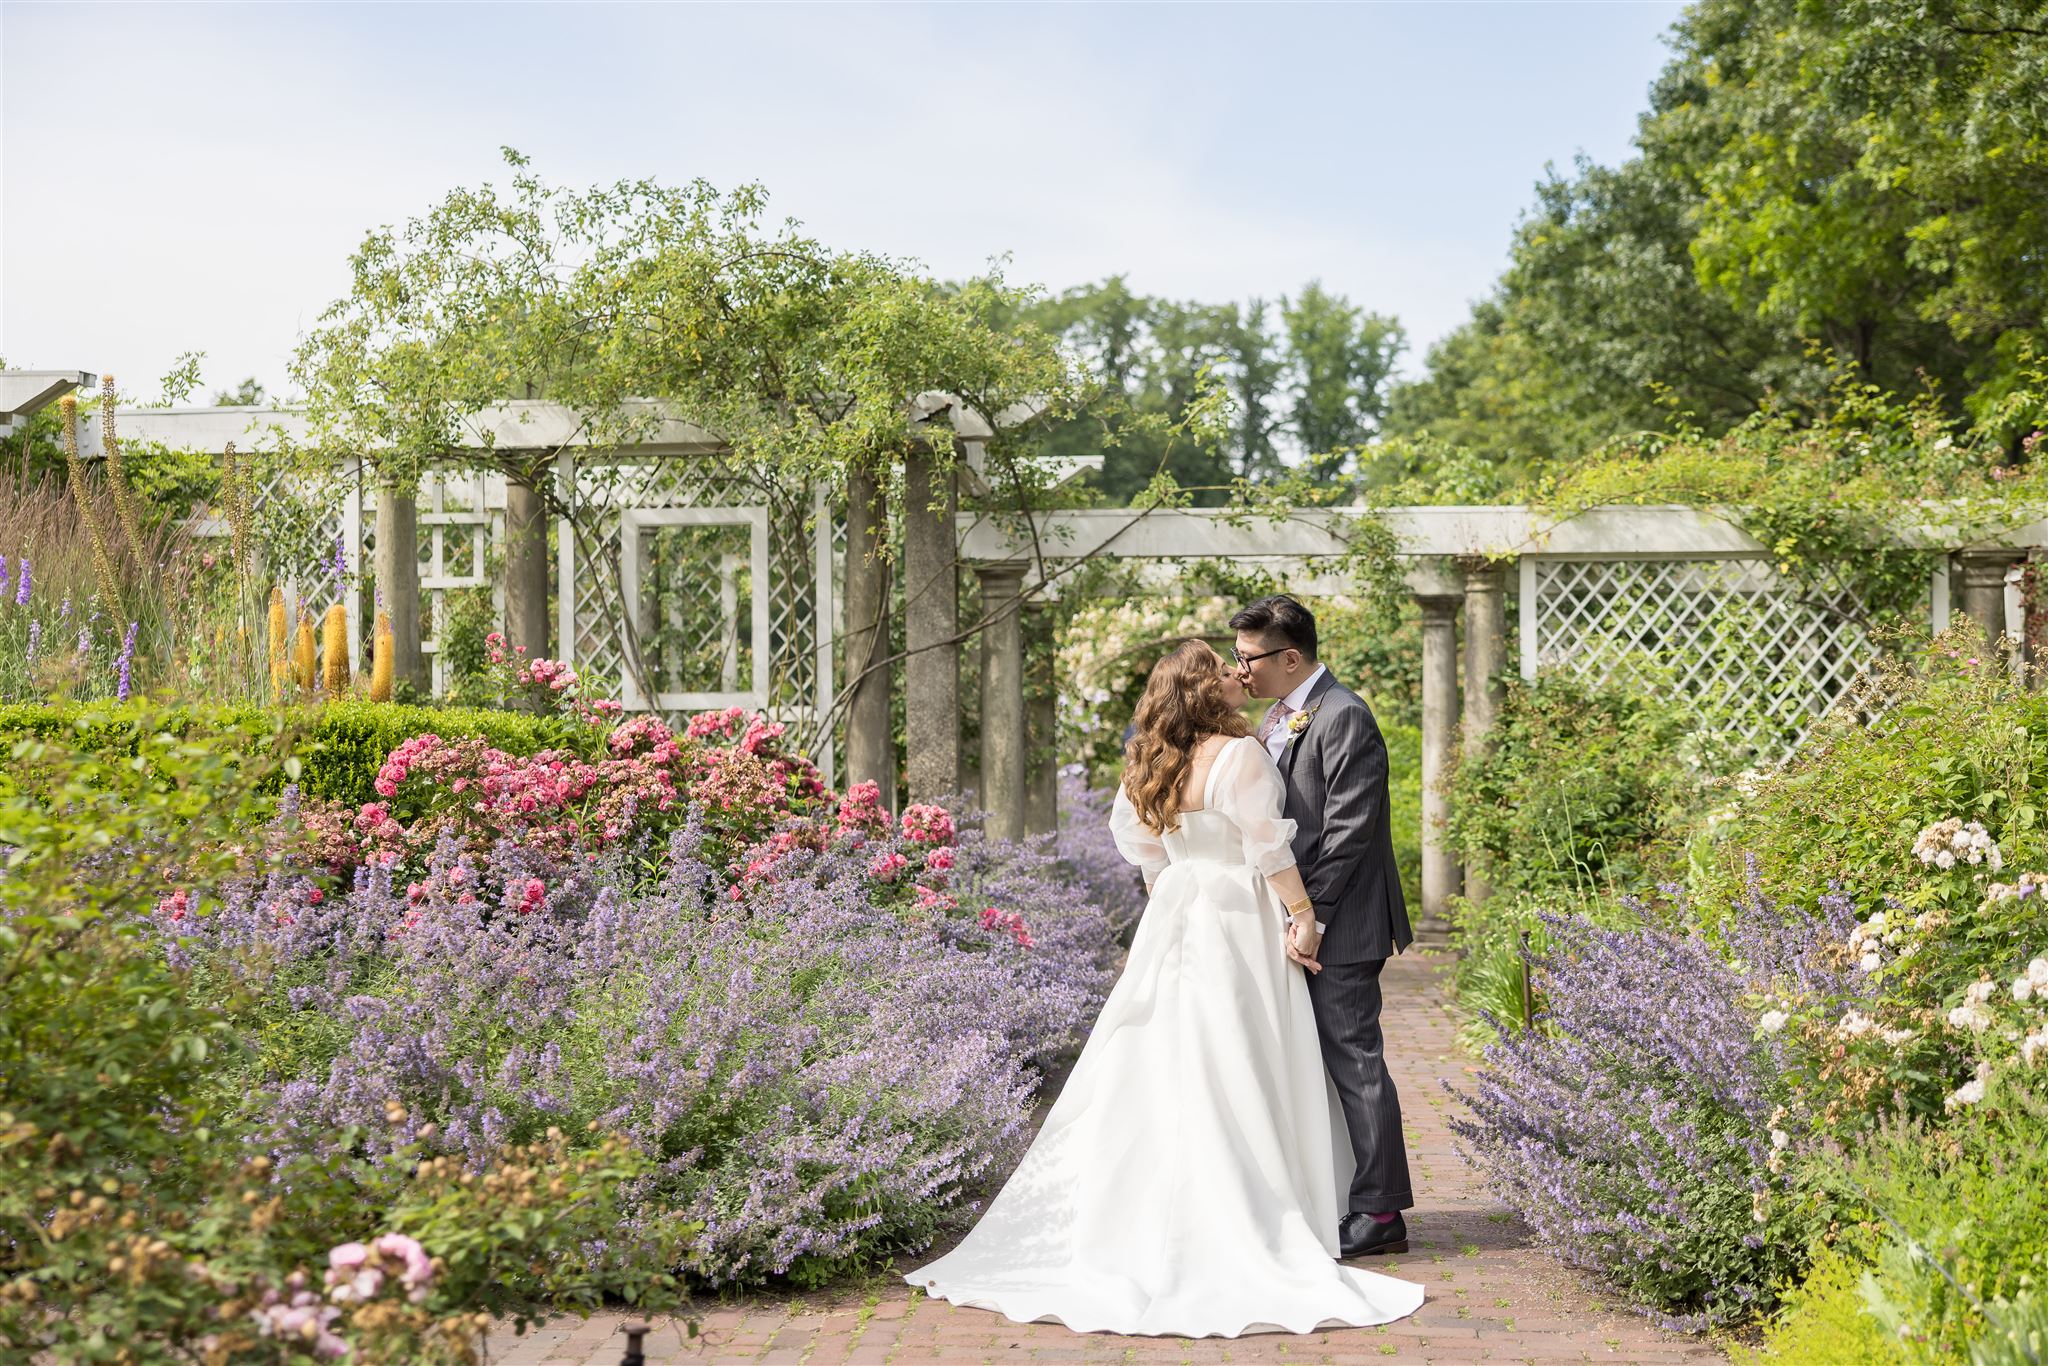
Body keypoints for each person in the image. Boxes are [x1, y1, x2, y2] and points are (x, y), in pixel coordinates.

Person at [905, 639, 1423, 1337]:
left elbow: (1134, 837)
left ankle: (1151, 1206)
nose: (1241, 675)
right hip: (1238, 914)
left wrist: (1176, 882)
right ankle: (1254, 1205)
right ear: (1207, 691)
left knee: (1168, 1054)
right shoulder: (1239, 755)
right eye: (1226, 669)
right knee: (1241, 1053)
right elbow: (1269, 849)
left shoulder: (1152, 758)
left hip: (1180, 911)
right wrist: (1303, 916)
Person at [1229, 595, 1414, 1259]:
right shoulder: (1284, 717)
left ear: (1289, 657)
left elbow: (1349, 831)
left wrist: (1317, 917)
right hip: (1308, 918)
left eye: (1249, 658)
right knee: (1323, 1059)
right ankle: (1345, 1189)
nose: (1240, 670)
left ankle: (1381, 1211)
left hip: (1343, 922)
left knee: (1354, 1058)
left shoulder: (1345, 716)